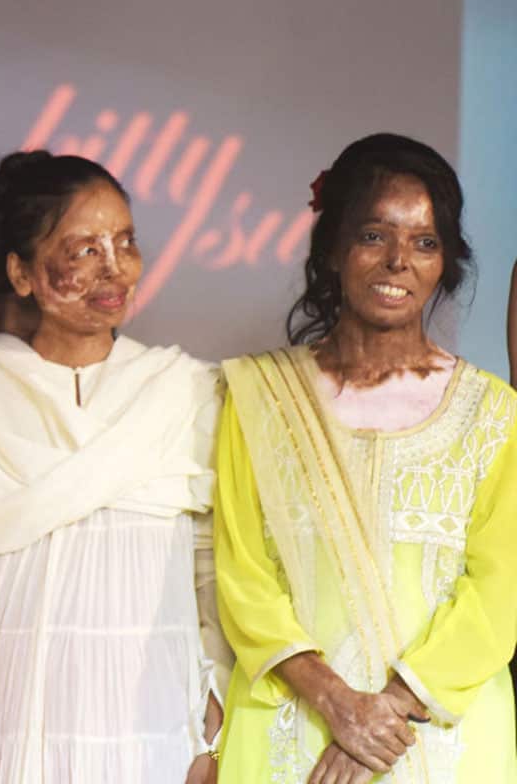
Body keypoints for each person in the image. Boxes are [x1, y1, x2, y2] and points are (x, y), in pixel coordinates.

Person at [0, 150, 228, 782]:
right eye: (84, 249)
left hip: (145, 727)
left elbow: (208, 568)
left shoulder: (187, 390)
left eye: (127, 242)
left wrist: (213, 720)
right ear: (22, 272)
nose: (115, 269)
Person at [215, 133, 517, 782]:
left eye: (425, 242)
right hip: (289, 729)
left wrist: (389, 711)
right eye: (375, 235)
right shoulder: (255, 396)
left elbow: (501, 591)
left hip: (441, 739)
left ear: (447, 263)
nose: (398, 261)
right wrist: (337, 703)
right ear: (330, 248)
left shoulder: (495, 415)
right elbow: (242, 578)